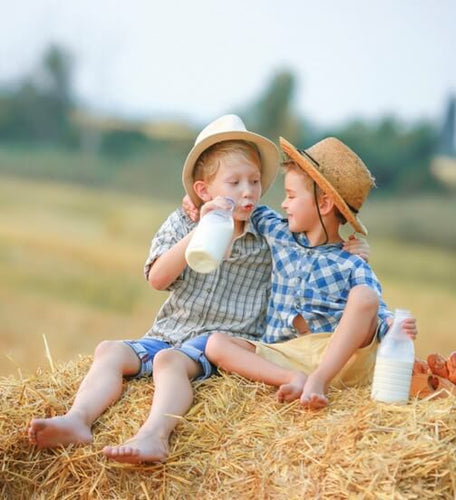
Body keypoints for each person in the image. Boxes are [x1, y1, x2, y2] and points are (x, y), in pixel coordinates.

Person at [27, 114, 280, 463]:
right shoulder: (182, 222)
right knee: (110, 350)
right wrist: (200, 230)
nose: (247, 191)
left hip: (221, 343)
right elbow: (158, 279)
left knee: (168, 361)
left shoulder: (269, 233)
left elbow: (306, 235)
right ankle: (77, 419)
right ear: (204, 191)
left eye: (254, 181)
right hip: (169, 332)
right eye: (234, 182)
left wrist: (343, 247)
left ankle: (153, 436)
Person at [204, 136, 418, 409]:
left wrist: (395, 327)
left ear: (325, 205)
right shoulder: (277, 231)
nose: (283, 203)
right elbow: (240, 204)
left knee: (365, 297)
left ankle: (319, 381)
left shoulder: (351, 262)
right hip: (283, 354)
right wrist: (202, 201)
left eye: (292, 196)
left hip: (337, 357)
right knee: (215, 345)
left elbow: (379, 312)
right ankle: (293, 378)